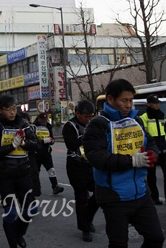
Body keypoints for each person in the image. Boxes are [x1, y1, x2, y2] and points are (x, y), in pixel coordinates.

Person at [83, 79, 164, 248]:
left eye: (131, 100)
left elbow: (151, 143)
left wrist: (152, 155)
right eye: (124, 100)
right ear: (111, 100)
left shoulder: (137, 121)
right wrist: (132, 161)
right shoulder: (98, 124)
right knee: (119, 243)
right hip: (114, 196)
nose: (128, 105)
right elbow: (96, 156)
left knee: (156, 238)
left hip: (141, 192)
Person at [0, 95, 38, 248]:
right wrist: (12, 146)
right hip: (4, 175)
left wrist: (25, 143)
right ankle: (12, 244)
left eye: (14, 109)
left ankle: (19, 233)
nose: (12, 112)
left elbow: (35, 144)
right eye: (8, 110)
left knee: (32, 208)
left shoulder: (24, 124)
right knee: (11, 213)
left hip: (23, 172)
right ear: (1, 110)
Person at [62, 100, 100, 242]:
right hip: (76, 165)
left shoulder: (94, 124)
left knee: (99, 192)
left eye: (91, 116)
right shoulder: (69, 126)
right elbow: (71, 145)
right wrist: (86, 135)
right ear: (77, 113)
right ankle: (84, 228)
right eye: (86, 117)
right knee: (81, 197)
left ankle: (87, 219)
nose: (88, 119)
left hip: (92, 165)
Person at [139, 95, 166, 204]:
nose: (157, 104)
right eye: (154, 103)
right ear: (149, 104)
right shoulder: (144, 117)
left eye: (158, 102)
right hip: (151, 148)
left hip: (163, 147)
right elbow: (144, 133)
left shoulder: (162, 116)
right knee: (151, 175)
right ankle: (154, 197)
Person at [33, 112, 64, 195]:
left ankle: (55, 186)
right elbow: (33, 140)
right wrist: (43, 141)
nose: (44, 122)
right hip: (36, 153)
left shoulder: (48, 126)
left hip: (46, 153)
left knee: (51, 170)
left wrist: (51, 141)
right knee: (36, 172)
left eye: (45, 120)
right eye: (43, 121)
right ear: (39, 119)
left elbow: (51, 137)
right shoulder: (33, 127)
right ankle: (35, 188)